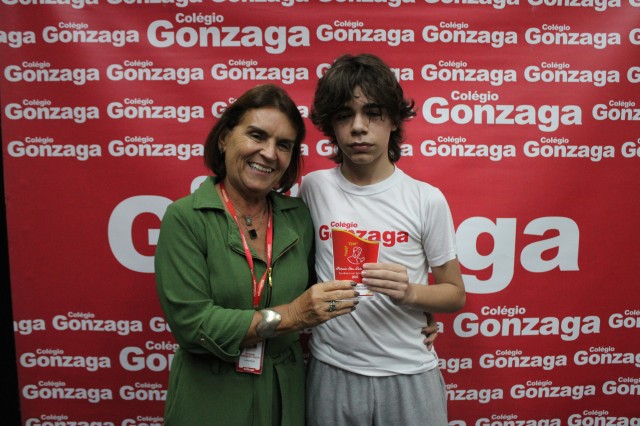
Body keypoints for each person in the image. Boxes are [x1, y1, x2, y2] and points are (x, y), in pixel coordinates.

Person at [154, 84, 359, 426]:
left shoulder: (298, 216)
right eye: (257, 136)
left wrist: (412, 312)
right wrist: (292, 315)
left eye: (284, 145)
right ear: (224, 138)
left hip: (284, 394)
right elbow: (192, 326)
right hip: (211, 397)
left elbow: (331, 285)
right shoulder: (186, 217)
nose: (269, 153)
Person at [300, 53, 466, 425]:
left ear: (393, 119)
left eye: (373, 113)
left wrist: (411, 294)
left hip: (409, 372)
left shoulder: (425, 198)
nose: (358, 127)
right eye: (345, 115)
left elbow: (455, 293)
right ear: (331, 125)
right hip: (332, 370)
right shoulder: (312, 188)